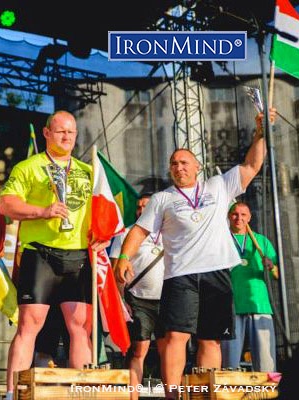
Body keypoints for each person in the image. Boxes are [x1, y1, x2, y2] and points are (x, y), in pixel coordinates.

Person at [115, 109, 275, 400]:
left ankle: (204, 394)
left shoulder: (219, 185)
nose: (179, 168)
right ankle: (173, 395)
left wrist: (261, 132)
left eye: (184, 162)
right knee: (176, 337)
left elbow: (252, 165)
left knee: (211, 340)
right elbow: (138, 231)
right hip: (180, 276)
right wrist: (124, 258)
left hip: (217, 274)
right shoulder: (163, 199)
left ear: (198, 166)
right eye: (173, 164)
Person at [0, 110, 109, 399]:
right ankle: (13, 393)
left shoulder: (89, 171)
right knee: (29, 325)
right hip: (41, 254)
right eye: (60, 131)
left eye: (71, 132)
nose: (67, 137)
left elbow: (105, 211)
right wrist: (42, 212)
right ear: (47, 133)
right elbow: (6, 205)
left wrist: (103, 235)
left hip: (79, 256)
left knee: (80, 328)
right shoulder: (29, 167)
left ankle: (84, 393)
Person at [110, 192, 165, 400]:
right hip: (138, 299)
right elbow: (115, 271)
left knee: (168, 351)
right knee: (138, 350)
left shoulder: (170, 231)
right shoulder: (126, 233)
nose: (142, 210)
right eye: (139, 207)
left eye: (147, 206)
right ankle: (133, 397)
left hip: (169, 299)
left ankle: (171, 394)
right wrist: (121, 301)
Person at [221, 201, 278, 372]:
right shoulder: (221, 240)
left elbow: (276, 274)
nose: (239, 218)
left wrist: (271, 265)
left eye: (243, 215)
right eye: (235, 214)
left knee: (266, 359)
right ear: (229, 216)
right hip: (230, 304)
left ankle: (268, 392)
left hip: (259, 304)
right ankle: (230, 395)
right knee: (229, 360)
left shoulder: (261, 241)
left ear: (249, 217)